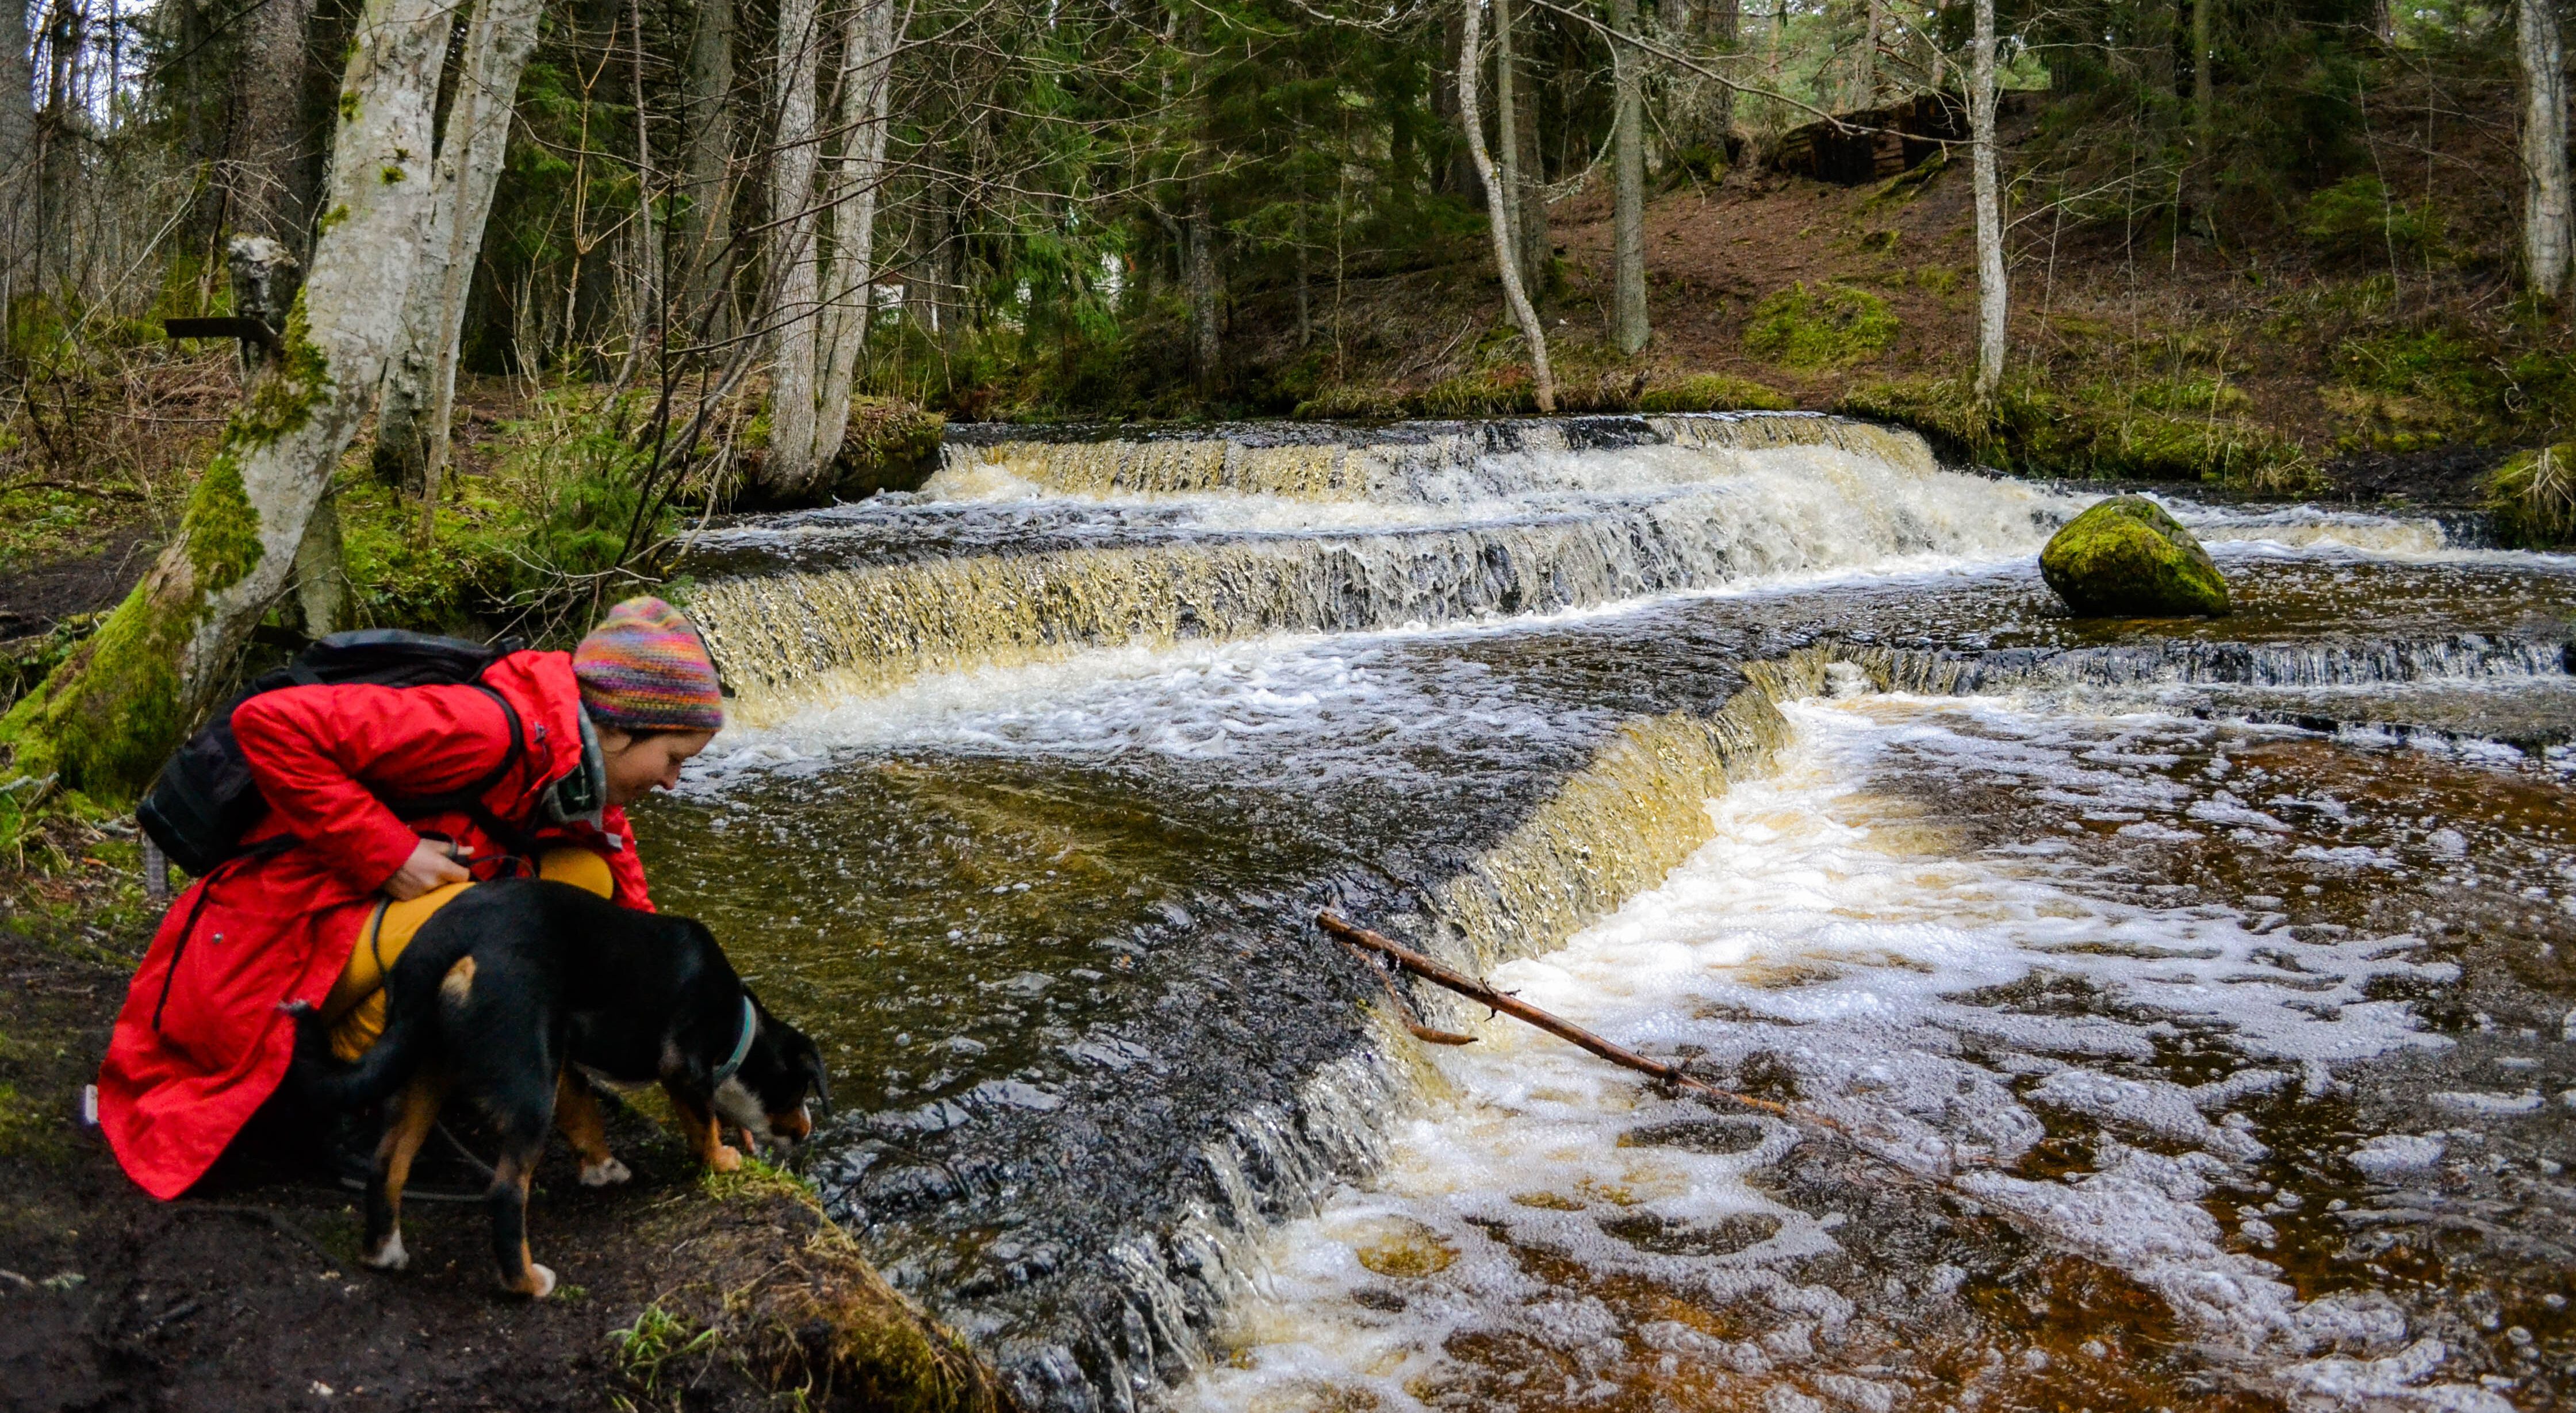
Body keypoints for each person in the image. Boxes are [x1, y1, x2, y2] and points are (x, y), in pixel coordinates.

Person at [97, 597, 726, 1200]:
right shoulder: (481, 729)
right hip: (270, 941)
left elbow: (631, 914)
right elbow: (268, 725)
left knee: (587, 882)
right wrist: (389, 854)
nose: (672, 781)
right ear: (618, 728)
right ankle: (342, 1100)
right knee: (484, 925)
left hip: (348, 920)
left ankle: (412, 1059)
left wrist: (699, 1057)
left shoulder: (571, 759)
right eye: (672, 758)